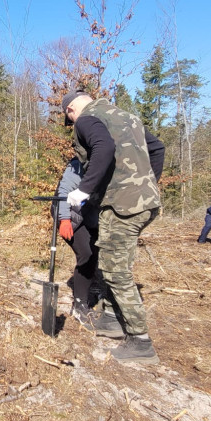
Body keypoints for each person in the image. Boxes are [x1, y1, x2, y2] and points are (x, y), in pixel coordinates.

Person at [62, 90, 165, 365]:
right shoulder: (127, 117)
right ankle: (110, 318)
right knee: (111, 257)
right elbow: (157, 149)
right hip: (143, 203)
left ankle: (140, 341)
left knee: (115, 270)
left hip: (123, 205)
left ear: (71, 109)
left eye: (69, 118)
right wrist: (145, 185)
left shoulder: (87, 119)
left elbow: (103, 148)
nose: (72, 124)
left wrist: (84, 190)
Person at [55, 156, 102, 332]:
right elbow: (64, 191)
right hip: (68, 211)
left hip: (89, 214)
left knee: (93, 255)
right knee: (86, 253)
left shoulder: (113, 165)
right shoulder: (80, 165)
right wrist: (64, 219)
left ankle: (88, 290)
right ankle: (80, 305)